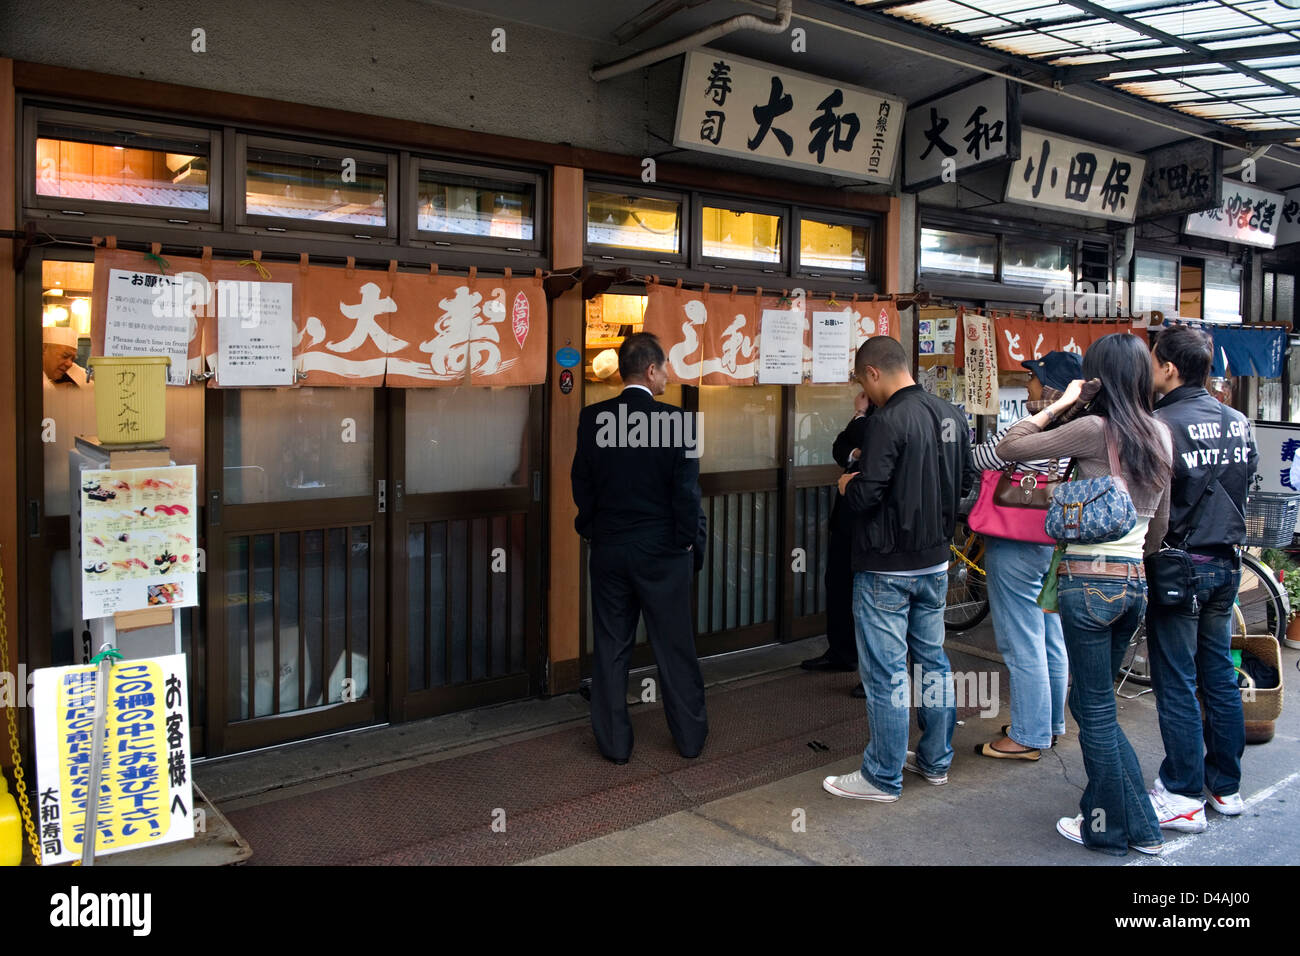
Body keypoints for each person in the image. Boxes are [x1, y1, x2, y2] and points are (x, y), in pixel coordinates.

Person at [997, 332, 1172, 856]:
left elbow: (1009, 447)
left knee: (1092, 708)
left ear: (1097, 377)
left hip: (1088, 582)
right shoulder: (1160, 433)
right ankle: (1138, 826)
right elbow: (1159, 528)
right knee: (1097, 705)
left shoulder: (1095, 428)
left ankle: (1108, 827)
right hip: (1134, 583)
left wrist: (1066, 402)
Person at [822, 335, 976, 802]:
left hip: (886, 566)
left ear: (872, 373)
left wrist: (847, 485)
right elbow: (968, 484)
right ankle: (935, 761)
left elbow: (869, 495)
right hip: (935, 562)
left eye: (861, 379)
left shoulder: (886, 421)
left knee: (886, 673)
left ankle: (882, 776)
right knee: (932, 663)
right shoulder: (950, 414)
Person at [570, 332, 708, 765]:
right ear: (651, 370)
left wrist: (592, 529)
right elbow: (686, 495)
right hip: (663, 551)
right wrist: (687, 542)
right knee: (674, 646)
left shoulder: (593, 419)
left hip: (609, 548)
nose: (668, 375)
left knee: (611, 646)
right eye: (665, 368)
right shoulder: (679, 422)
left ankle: (614, 745)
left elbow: (582, 484)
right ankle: (689, 740)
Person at [1146, 325, 1256, 829]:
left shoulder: (1161, 423)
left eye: (1153, 361)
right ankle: (1224, 786)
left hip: (1178, 568)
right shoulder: (1238, 421)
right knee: (1218, 677)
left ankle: (1183, 791)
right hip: (1226, 564)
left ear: (1169, 368)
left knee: (1176, 680)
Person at [971, 351, 1081, 760]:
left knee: (1022, 640)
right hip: (1052, 542)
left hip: (1017, 543)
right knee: (1049, 634)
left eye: (1034, 380)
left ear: (1053, 389)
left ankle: (1027, 736)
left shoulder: (1036, 431)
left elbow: (984, 458)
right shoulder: (1079, 430)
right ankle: (1049, 723)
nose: (1029, 386)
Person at [801, 387, 871, 675]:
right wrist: (855, 450)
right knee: (838, 583)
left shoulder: (888, 415)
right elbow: (839, 447)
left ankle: (867, 668)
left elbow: (869, 441)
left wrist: (859, 416)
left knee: (865, 594)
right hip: (847, 520)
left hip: (868, 520)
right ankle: (841, 652)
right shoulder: (867, 419)